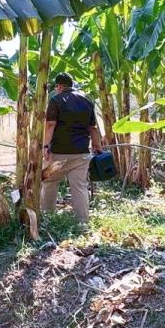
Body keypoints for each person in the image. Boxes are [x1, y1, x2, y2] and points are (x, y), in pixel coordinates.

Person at [41, 72, 103, 225]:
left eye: (56, 87)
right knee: (79, 186)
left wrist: (45, 145)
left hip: (59, 153)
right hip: (81, 153)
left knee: (50, 182)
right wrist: (98, 146)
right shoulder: (87, 101)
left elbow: (50, 125)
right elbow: (93, 128)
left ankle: (47, 217)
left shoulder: (56, 100)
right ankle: (82, 222)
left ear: (59, 86)